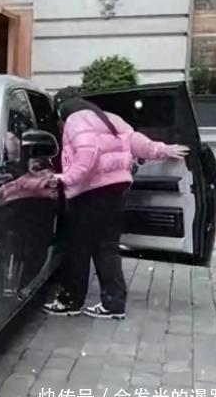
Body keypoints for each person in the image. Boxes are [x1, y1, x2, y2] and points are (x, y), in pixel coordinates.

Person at [42, 92, 189, 319]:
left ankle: (70, 301)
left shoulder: (75, 120)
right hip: (116, 190)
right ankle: (113, 304)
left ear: (62, 110)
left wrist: (64, 179)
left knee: (77, 248)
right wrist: (163, 150)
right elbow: (137, 142)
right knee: (107, 248)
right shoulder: (110, 118)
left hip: (89, 192)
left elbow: (88, 156)